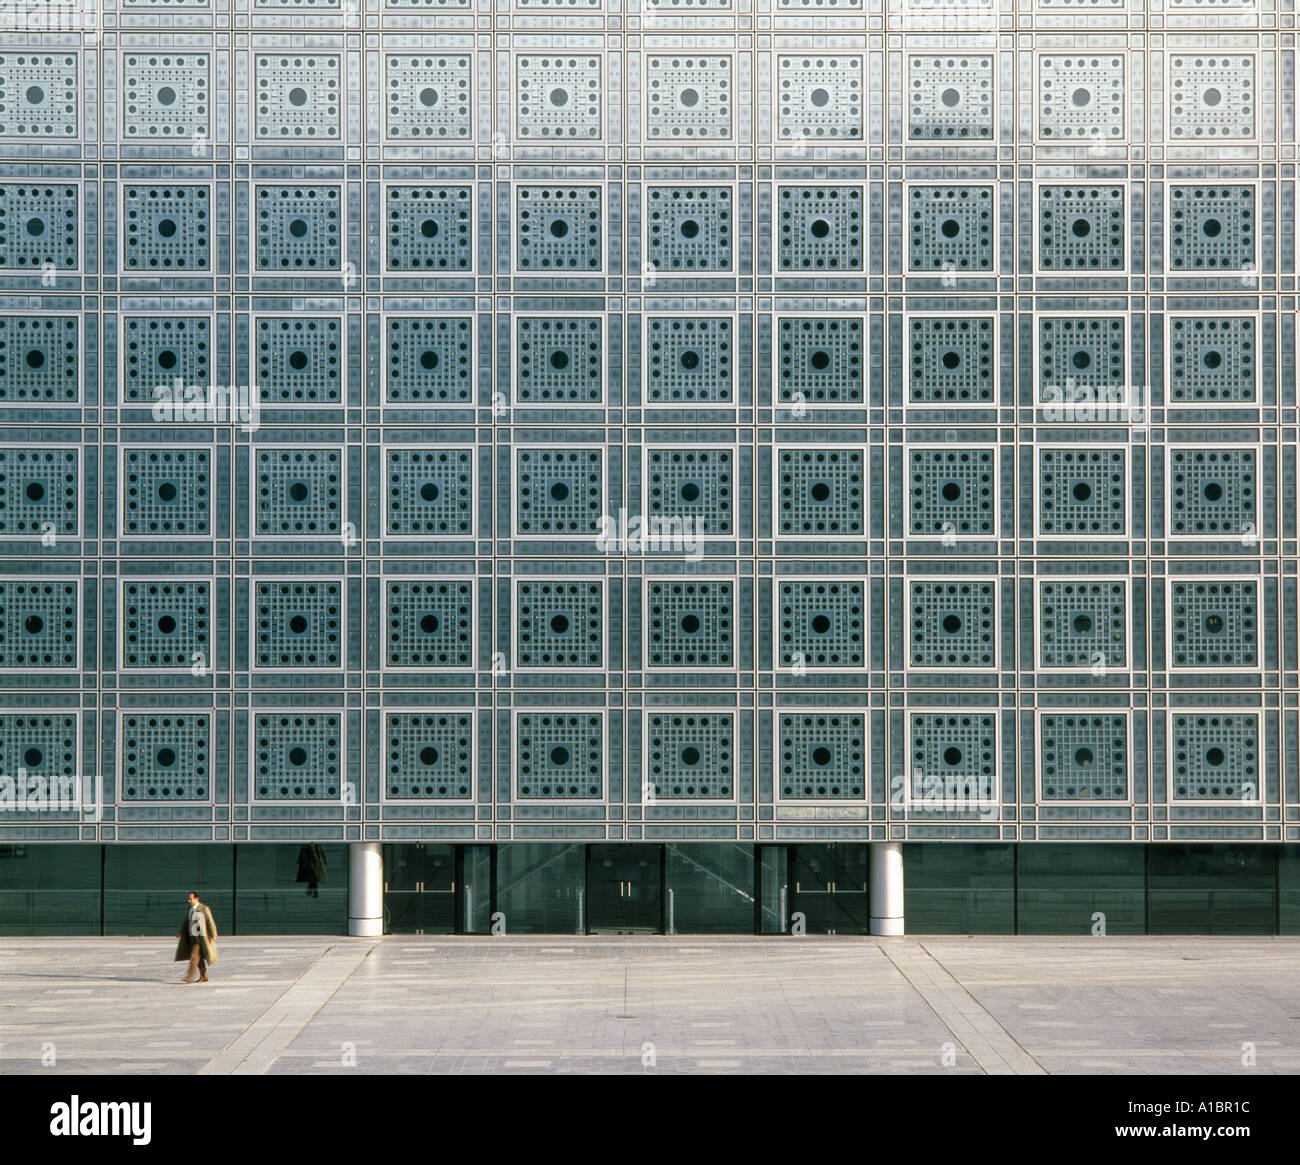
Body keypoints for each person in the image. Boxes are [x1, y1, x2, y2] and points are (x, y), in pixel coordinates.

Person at [174, 890, 219, 983]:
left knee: (194, 957)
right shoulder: (190, 909)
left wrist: (214, 934)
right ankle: (204, 976)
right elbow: (186, 923)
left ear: (196, 898)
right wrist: (181, 932)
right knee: (199, 958)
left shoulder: (204, 908)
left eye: (190, 899)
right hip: (192, 937)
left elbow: (210, 922)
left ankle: (189, 977)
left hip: (200, 938)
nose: (189, 901)